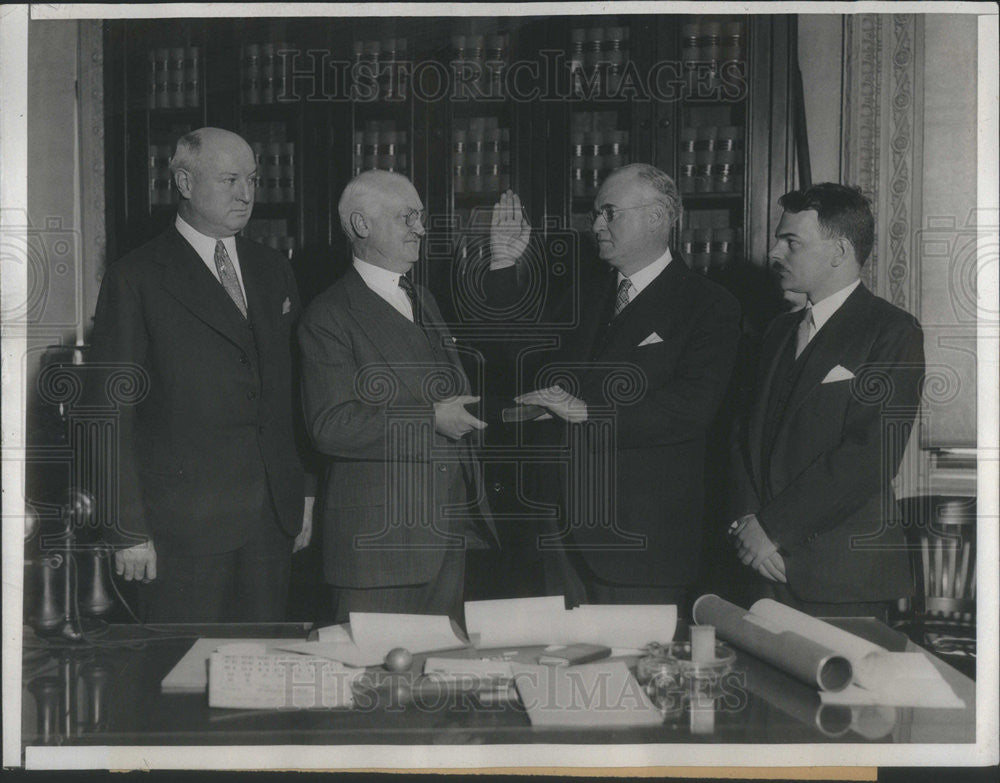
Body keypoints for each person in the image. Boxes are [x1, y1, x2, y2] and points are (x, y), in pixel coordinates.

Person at [87, 127, 313, 622]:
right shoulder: (137, 276)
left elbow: (293, 391)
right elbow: (106, 411)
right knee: (179, 680)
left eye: (253, 179)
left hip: (271, 520)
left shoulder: (274, 268)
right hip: (181, 529)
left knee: (264, 673)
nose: (247, 194)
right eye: (230, 179)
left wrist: (306, 490)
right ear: (185, 183)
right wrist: (127, 530)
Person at [501, 163, 742, 609]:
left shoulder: (708, 305)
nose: (596, 225)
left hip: (639, 546)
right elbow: (517, 356)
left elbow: (691, 409)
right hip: (556, 536)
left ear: (657, 217)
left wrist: (589, 411)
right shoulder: (582, 295)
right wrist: (503, 265)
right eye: (595, 213)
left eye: (609, 213)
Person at [298, 170, 496, 622]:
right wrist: (428, 418)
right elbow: (331, 426)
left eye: (421, 218)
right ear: (362, 225)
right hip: (380, 552)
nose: (421, 230)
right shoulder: (329, 314)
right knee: (374, 688)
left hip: (445, 533)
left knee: (432, 686)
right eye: (408, 218)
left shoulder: (422, 297)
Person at [727, 183, 924, 619]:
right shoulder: (778, 331)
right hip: (761, 571)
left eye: (790, 241)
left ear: (838, 252)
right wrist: (748, 528)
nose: (774, 252)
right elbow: (741, 435)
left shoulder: (892, 332)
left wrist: (773, 530)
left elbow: (870, 455)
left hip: (843, 580)